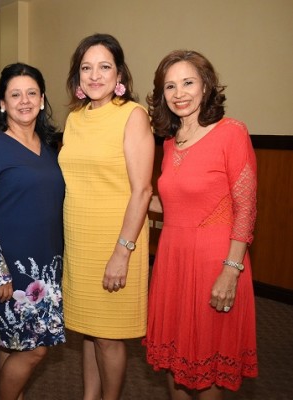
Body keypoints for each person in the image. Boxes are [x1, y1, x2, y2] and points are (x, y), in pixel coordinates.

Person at [144, 50, 258, 399]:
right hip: (171, 262)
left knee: (206, 367)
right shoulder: (168, 141)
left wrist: (231, 269)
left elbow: (246, 208)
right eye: (170, 86)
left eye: (188, 82)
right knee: (175, 363)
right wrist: (125, 198)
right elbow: (172, 203)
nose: (179, 93)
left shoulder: (231, 133)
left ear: (206, 86)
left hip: (215, 262)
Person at [58, 33, 154, 400]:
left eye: (104, 67)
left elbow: (142, 190)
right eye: (86, 67)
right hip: (79, 241)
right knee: (88, 330)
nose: (94, 75)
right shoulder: (75, 118)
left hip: (116, 241)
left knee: (109, 338)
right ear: (77, 76)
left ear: (119, 74)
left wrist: (122, 252)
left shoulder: (132, 115)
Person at [0, 63, 66, 400]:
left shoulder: (49, 146)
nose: (25, 100)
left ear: (42, 99)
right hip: (9, 271)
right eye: (15, 94)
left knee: (12, 347)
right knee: (35, 350)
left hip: (46, 266)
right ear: (2, 103)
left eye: (32, 93)